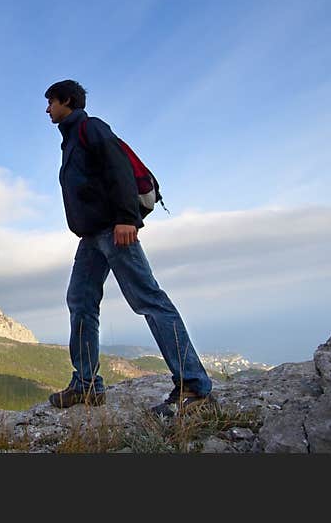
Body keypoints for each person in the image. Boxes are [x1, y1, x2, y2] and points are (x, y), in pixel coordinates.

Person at [44, 79, 212, 416]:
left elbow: (118, 168)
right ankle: (87, 385)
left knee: (148, 299)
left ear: (67, 101)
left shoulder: (91, 128)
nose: (47, 109)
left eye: (51, 102)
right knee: (80, 301)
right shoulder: (71, 140)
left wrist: (126, 219)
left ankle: (193, 385)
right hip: (91, 238)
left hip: (114, 230)